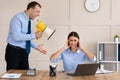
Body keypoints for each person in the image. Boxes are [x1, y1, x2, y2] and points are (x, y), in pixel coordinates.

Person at [5, 1, 47, 71]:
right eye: (37, 12)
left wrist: (36, 47)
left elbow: (26, 38)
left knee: (25, 75)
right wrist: (35, 35)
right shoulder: (17, 18)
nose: (38, 14)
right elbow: (17, 37)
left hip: (24, 52)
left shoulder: (29, 20)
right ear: (30, 9)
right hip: (14, 52)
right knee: (12, 76)